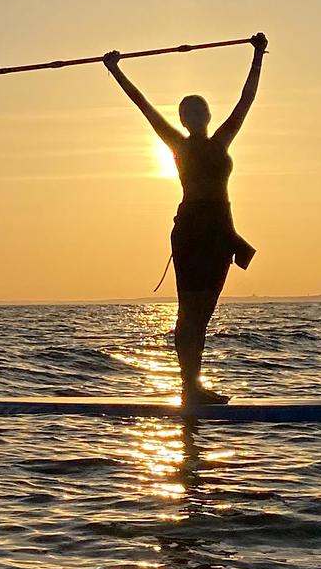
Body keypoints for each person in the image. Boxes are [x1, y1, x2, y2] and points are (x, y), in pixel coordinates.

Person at [103, 32, 268, 404]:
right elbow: (142, 104)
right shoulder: (177, 144)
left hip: (221, 231)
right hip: (194, 230)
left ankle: (192, 385)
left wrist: (258, 55)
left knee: (203, 312)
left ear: (207, 115)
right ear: (183, 118)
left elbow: (246, 101)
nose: (195, 117)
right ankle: (189, 387)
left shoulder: (221, 140)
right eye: (188, 114)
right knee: (189, 310)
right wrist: (115, 69)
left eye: (199, 111)